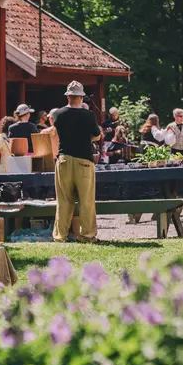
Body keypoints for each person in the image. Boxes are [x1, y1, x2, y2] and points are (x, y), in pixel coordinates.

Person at [52, 81, 102, 243]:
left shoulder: (57, 114)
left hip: (64, 159)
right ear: (81, 98)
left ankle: (60, 236)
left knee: (64, 200)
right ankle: (87, 235)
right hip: (84, 160)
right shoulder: (89, 115)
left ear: (67, 96)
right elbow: (96, 135)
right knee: (86, 200)